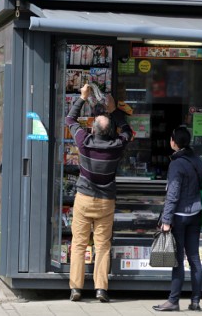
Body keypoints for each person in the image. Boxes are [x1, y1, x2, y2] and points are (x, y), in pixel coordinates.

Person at [66, 83, 133, 303]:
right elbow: (127, 132)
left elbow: (70, 120)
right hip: (106, 202)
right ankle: (101, 290)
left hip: (84, 200)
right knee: (103, 245)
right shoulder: (116, 145)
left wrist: (82, 98)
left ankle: (76, 288)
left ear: (93, 130)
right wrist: (114, 111)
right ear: (110, 131)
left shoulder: (84, 142)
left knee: (79, 243)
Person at [152, 125, 202, 312]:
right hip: (196, 214)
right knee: (194, 258)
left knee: (177, 260)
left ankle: (173, 301)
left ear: (174, 142)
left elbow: (173, 194)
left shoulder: (176, 164)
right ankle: (196, 301)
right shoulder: (197, 160)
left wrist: (166, 220)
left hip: (180, 217)